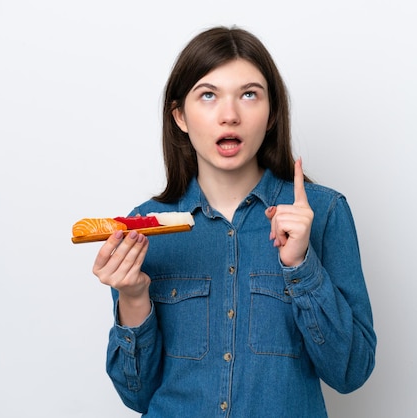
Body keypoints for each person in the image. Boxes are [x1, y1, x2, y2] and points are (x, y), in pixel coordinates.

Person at [92, 26, 376, 417]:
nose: (230, 115)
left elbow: (352, 372)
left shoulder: (325, 214)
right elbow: (136, 395)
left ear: (272, 112)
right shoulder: (145, 230)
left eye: (249, 95)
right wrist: (133, 297)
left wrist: (301, 267)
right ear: (180, 116)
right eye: (208, 95)